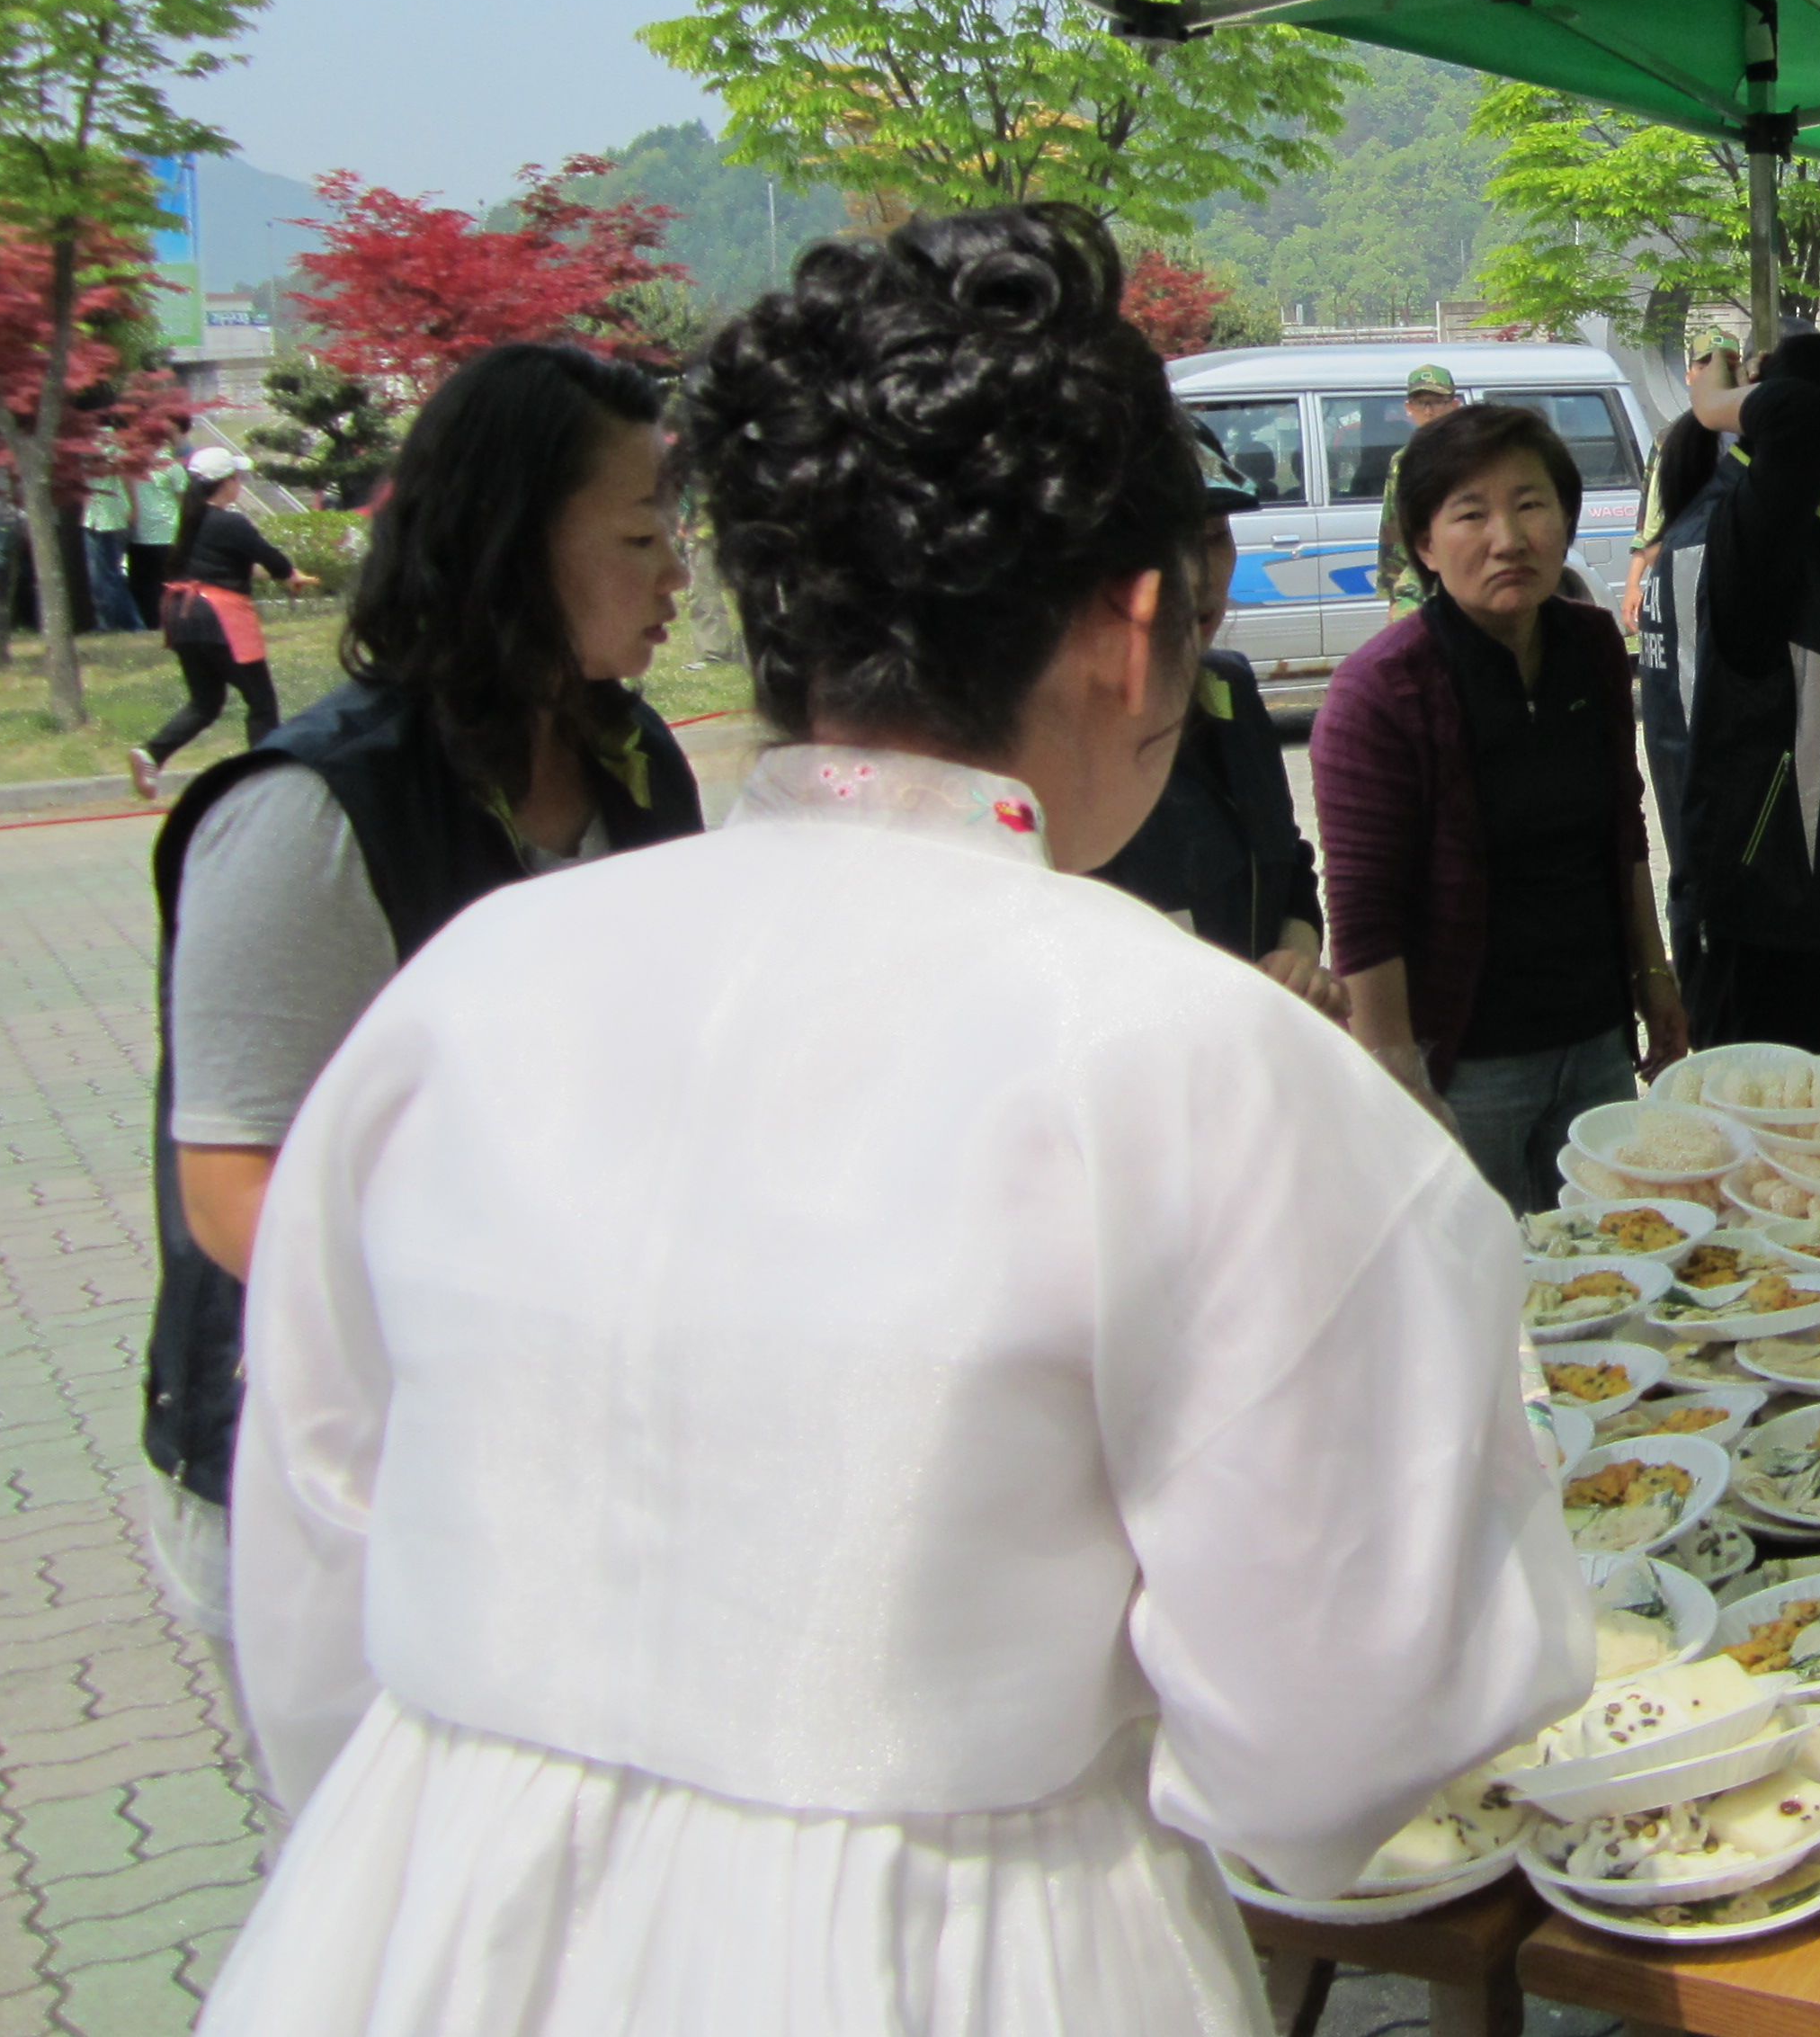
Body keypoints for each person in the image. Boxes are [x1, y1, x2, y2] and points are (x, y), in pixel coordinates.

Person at [206, 205, 1585, 2033]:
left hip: (417, 1919)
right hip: (965, 1950)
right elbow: (1338, 1740)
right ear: (1138, 628)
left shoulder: (472, 988)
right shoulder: (1192, 1056)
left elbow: (311, 1582)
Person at [134, 343, 706, 1696]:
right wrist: (507, 1341)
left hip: (555, 1443)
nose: (678, 572)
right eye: (640, 536)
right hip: (332, 1464)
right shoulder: (311, 813)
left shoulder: (636, 767)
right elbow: (233, 1189)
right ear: (511, 546)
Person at [1316, 402, 1689, 1208]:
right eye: (1471, 514)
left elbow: (1621, 827)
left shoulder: (1591, 647)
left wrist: (1653, 975)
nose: (1508, 538)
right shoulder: (1380, 691)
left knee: (1608, 1253)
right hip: (1464, 1064)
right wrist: (1398, 1082)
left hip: (1594, 1041)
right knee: (1484, 1273)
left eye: (1530, 504)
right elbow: (1363, 915)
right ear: (1423, 543)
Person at [1679, 331, 1820, 1054]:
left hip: (1810, 895)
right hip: (1761, 902)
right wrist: (1713, 403)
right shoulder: (1760, 544)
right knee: (1753, 1112)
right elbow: (1797, 417)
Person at [1090, 415, 1347, 1017]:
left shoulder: (1228, 690)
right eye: (1167, 545)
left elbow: (1289, 870)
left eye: (1213, 538)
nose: (1198, 577)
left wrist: (1297, 961)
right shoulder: (1056, 735)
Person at [129, 450, 322, 800]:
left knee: (205, 702)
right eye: (238, 477)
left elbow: (231, 565)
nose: (240, 483)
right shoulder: (231, 523)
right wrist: (289, 574)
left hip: (183, 616)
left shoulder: (191, 520)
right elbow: (272, 559)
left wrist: (285, 575)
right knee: (261, 702)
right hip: (219, 617)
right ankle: (263, 779)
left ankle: (152, 754)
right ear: (227, 483)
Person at [1628, 403, 1729, 982]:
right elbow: (1695, 694)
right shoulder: (1700, 547)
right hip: (1702, 784)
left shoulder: (1680, 541)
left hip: (1682, 768)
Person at [1371, 360, 1464, 612]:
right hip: (1419, 581)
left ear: (1454, 405)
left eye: (1437, 401)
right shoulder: (1402, 462)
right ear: (1408, 408)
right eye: (1421, 403)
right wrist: (1392, 593)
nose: (1429, 410)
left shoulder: (1474, 456)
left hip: (1465, 573)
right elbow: (1393, 528)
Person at [127, 448, 185, 630]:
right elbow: (183, 499)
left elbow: (183, 500)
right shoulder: (131, 462)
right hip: (151, 534)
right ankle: (158, 625)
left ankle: (160, 624)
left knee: (154, 586)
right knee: (151, 586)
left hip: (157, 534)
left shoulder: (168, 464)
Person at [84, 470, 140, 630]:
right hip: (92, 519)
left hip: (112, 519)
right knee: (99, 578)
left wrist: (134, 507)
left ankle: (131, 623)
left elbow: (127, 475)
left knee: (110, 576)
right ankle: (108, 622)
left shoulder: (115, 457)